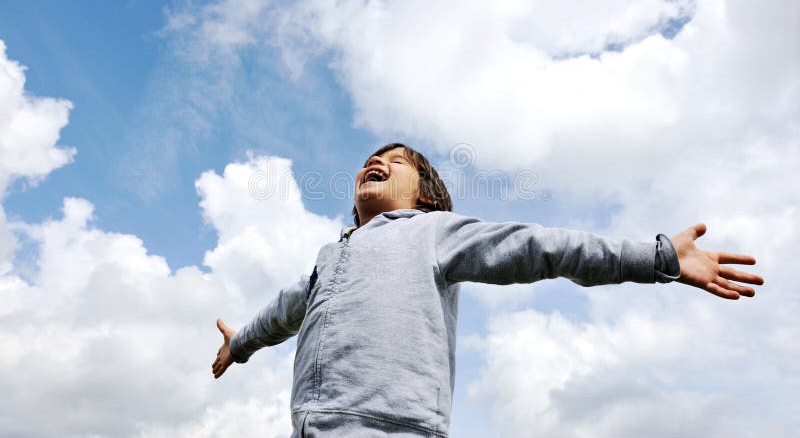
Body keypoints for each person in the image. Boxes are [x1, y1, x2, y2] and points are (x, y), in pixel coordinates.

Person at [211, 142, 764, 437]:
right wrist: (240, 345)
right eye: (368, 160)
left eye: (397, 161)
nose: (374, 161)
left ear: (427, 195)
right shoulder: (329, 259)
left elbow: (542, 247)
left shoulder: (434, 232)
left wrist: (658, 256)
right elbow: (282, 312)